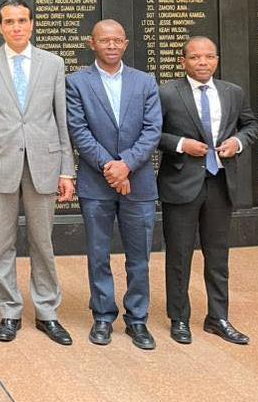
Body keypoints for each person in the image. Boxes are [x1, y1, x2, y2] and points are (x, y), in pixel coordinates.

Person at [0, 0, 76, 345]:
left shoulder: (53, 63)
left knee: (43, 242)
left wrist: (67, 171)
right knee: (3, 243)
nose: (17, 27)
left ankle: (47, 312)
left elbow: (62, 119)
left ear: (32, 24)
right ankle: (10, 311)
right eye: (9, 22)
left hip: (44, 163)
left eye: (22, 21)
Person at [65, 20, 161, 349]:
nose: (111, 45)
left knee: (139, 257)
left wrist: (126, 165)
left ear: (126, 43)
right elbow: (78, 130)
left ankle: (137, 320)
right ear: (92, 43)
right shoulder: (76, 82)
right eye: (105, 40)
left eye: (117, 40)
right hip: (96, 183)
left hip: (139, 183)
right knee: (98, 254)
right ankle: (103, 316)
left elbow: (152, 130)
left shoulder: (145, 81)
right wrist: (110, 167)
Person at [158, 36, 258, 345]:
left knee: (218, 255)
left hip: (220, 182)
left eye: (209, 57)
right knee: (179, 255)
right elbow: (150, 133)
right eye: (195, 57)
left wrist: (237, 142)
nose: (202, 62)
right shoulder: (167, 93)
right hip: (181, 184)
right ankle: (179, 318)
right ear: (183, 61)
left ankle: (218, 317)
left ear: (216, 60)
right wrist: (180, 144)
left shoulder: (232, 92)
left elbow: (251, 126)